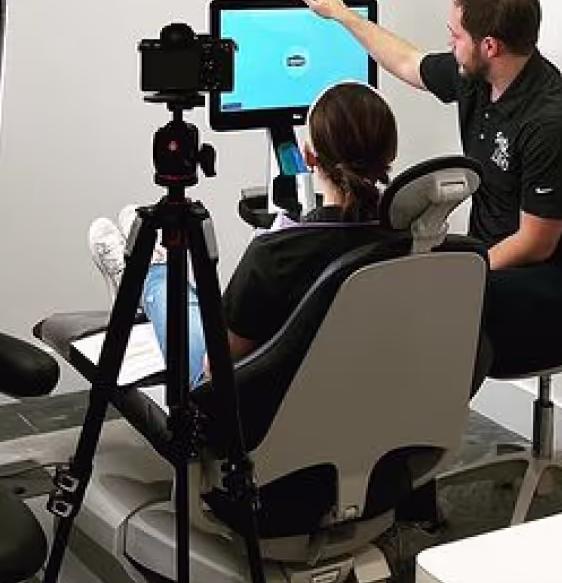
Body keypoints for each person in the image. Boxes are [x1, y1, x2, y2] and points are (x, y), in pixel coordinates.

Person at [299, 0, 562, 369]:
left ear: (490, 46)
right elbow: (406, 61)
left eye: (455, 35)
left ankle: (419, 423)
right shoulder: (476, 77)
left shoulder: (551, 124)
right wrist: (342, 15)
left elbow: (535, 244)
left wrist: (454, 270)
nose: (450, 44)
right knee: (402, 286)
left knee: (433, 307)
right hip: (499, 260)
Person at [87, 80, 399, 390]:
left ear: (308, 156)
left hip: (257, 421)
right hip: (365, 405)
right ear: (390, 155)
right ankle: (157, 272)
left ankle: (148, 272)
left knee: (191, 321)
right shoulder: (410, 242)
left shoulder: (275, 253)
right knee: (202, 311)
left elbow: (215, 366)